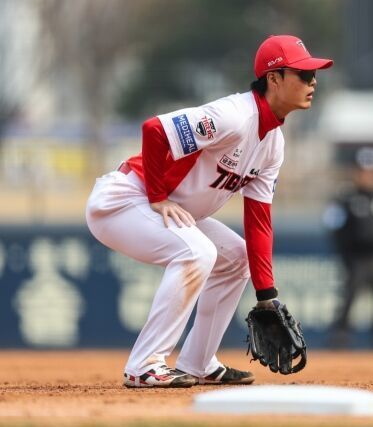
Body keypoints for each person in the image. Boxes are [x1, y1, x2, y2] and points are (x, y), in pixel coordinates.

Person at [86, 35, 332, 388]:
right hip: (123, 200)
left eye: (314, 75)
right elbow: (154, 129)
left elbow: (259, 221)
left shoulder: (273, 144)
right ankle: (145, 365)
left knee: (237, 258)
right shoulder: (234, 116)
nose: (313, 82)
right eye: (304, 74)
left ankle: (198, 362)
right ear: (274, 78)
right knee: (197, 251)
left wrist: (267, 295)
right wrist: (157, 196)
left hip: (167, 209)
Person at [324, 147, 373, 349]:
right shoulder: (346, 199)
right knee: (349, 297)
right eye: (363, 171)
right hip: (356, 258)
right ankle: (340, 336)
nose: (367, 176)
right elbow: (335, 228)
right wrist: (344, 255)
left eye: (371, 171)